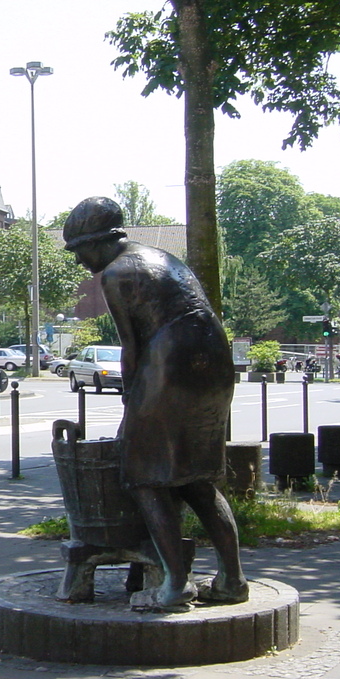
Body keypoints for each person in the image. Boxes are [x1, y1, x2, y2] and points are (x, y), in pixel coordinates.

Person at [63, 196, 248, 612]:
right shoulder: (163, 257)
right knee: (198, 478)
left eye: (80, 251)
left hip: (171, 365)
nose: (79, 262)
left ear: (100, 242)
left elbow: (131, 346)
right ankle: (232, 579)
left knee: (144, 475)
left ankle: (176, 585)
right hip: (213, 364)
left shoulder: (116, 273)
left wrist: (131, 399)